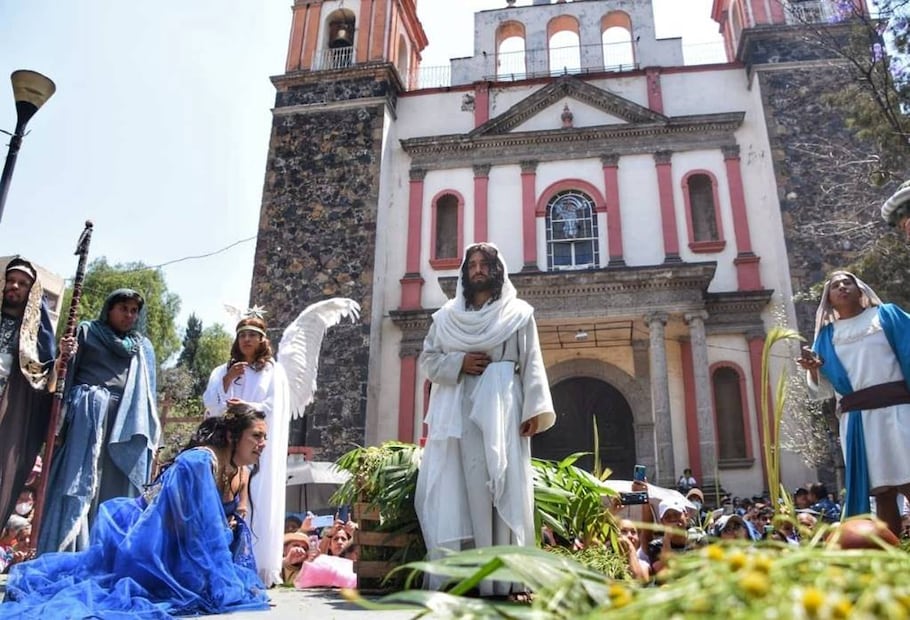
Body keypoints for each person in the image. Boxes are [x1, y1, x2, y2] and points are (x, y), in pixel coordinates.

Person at [3, 405, 270, 618]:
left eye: (265, 437)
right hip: (148, 547)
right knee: (105, 593)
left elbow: (232, 517)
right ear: (231, 436)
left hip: (178, 551)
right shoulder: (199, 462)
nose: (263, 443)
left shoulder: (239, 471)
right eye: (256, 435)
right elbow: (183, 526)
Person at [415, 242, 556, 597]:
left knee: (505, 486)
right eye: (472, 264)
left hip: (504, 406)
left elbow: (533, 363)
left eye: (484, 264)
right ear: (465, 273)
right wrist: (458, 363)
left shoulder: (519, 313)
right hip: (461, 407)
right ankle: (474, 574)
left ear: (496, 271)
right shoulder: (446, 317)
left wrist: (534, 411)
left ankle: (509, 576)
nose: (477, 269)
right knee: (467, 488)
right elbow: (429, 360)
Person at [38, 289, 159, 554]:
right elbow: (66, 379)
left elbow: (148, 395)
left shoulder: (141, 347)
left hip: (124, 428)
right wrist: (60, 424)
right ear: (109, 309)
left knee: (114, 491)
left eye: (134, 310)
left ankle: (105, 553)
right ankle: (71, 550)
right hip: (86, 423)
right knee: (80, 486)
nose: (129, 315)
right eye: (123, 308)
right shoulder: (87, 332)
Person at [797, 270, 910, 536]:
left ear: (860, 289)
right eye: (835, 286)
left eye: (848, 282)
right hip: (859, 419)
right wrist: (813, 370)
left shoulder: (886, 316)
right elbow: (822, 391)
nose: (842, 287)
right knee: (882, 491)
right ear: (829, 299)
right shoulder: (826, 337)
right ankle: (892, 555)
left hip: (899, 409)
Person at [203, 311, 290, 586]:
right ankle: (223, 562)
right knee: (225, 499)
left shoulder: (272, 370)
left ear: (262, 339)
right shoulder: (223, 370)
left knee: (257, 501)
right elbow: (211, 405)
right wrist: (227, 381)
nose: (247, 339)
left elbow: (275, 406)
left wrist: (247, 407)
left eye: (252, 334)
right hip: (228, 447)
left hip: (257, 445)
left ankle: (257, 566)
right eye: (242, 335)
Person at [0, 258, 63, 530]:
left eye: (22, 283)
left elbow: (45, 376)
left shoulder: (37, 332)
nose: (14, 286)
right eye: (10, 280)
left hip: (9, 410)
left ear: (31, 290)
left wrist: (62, 360)